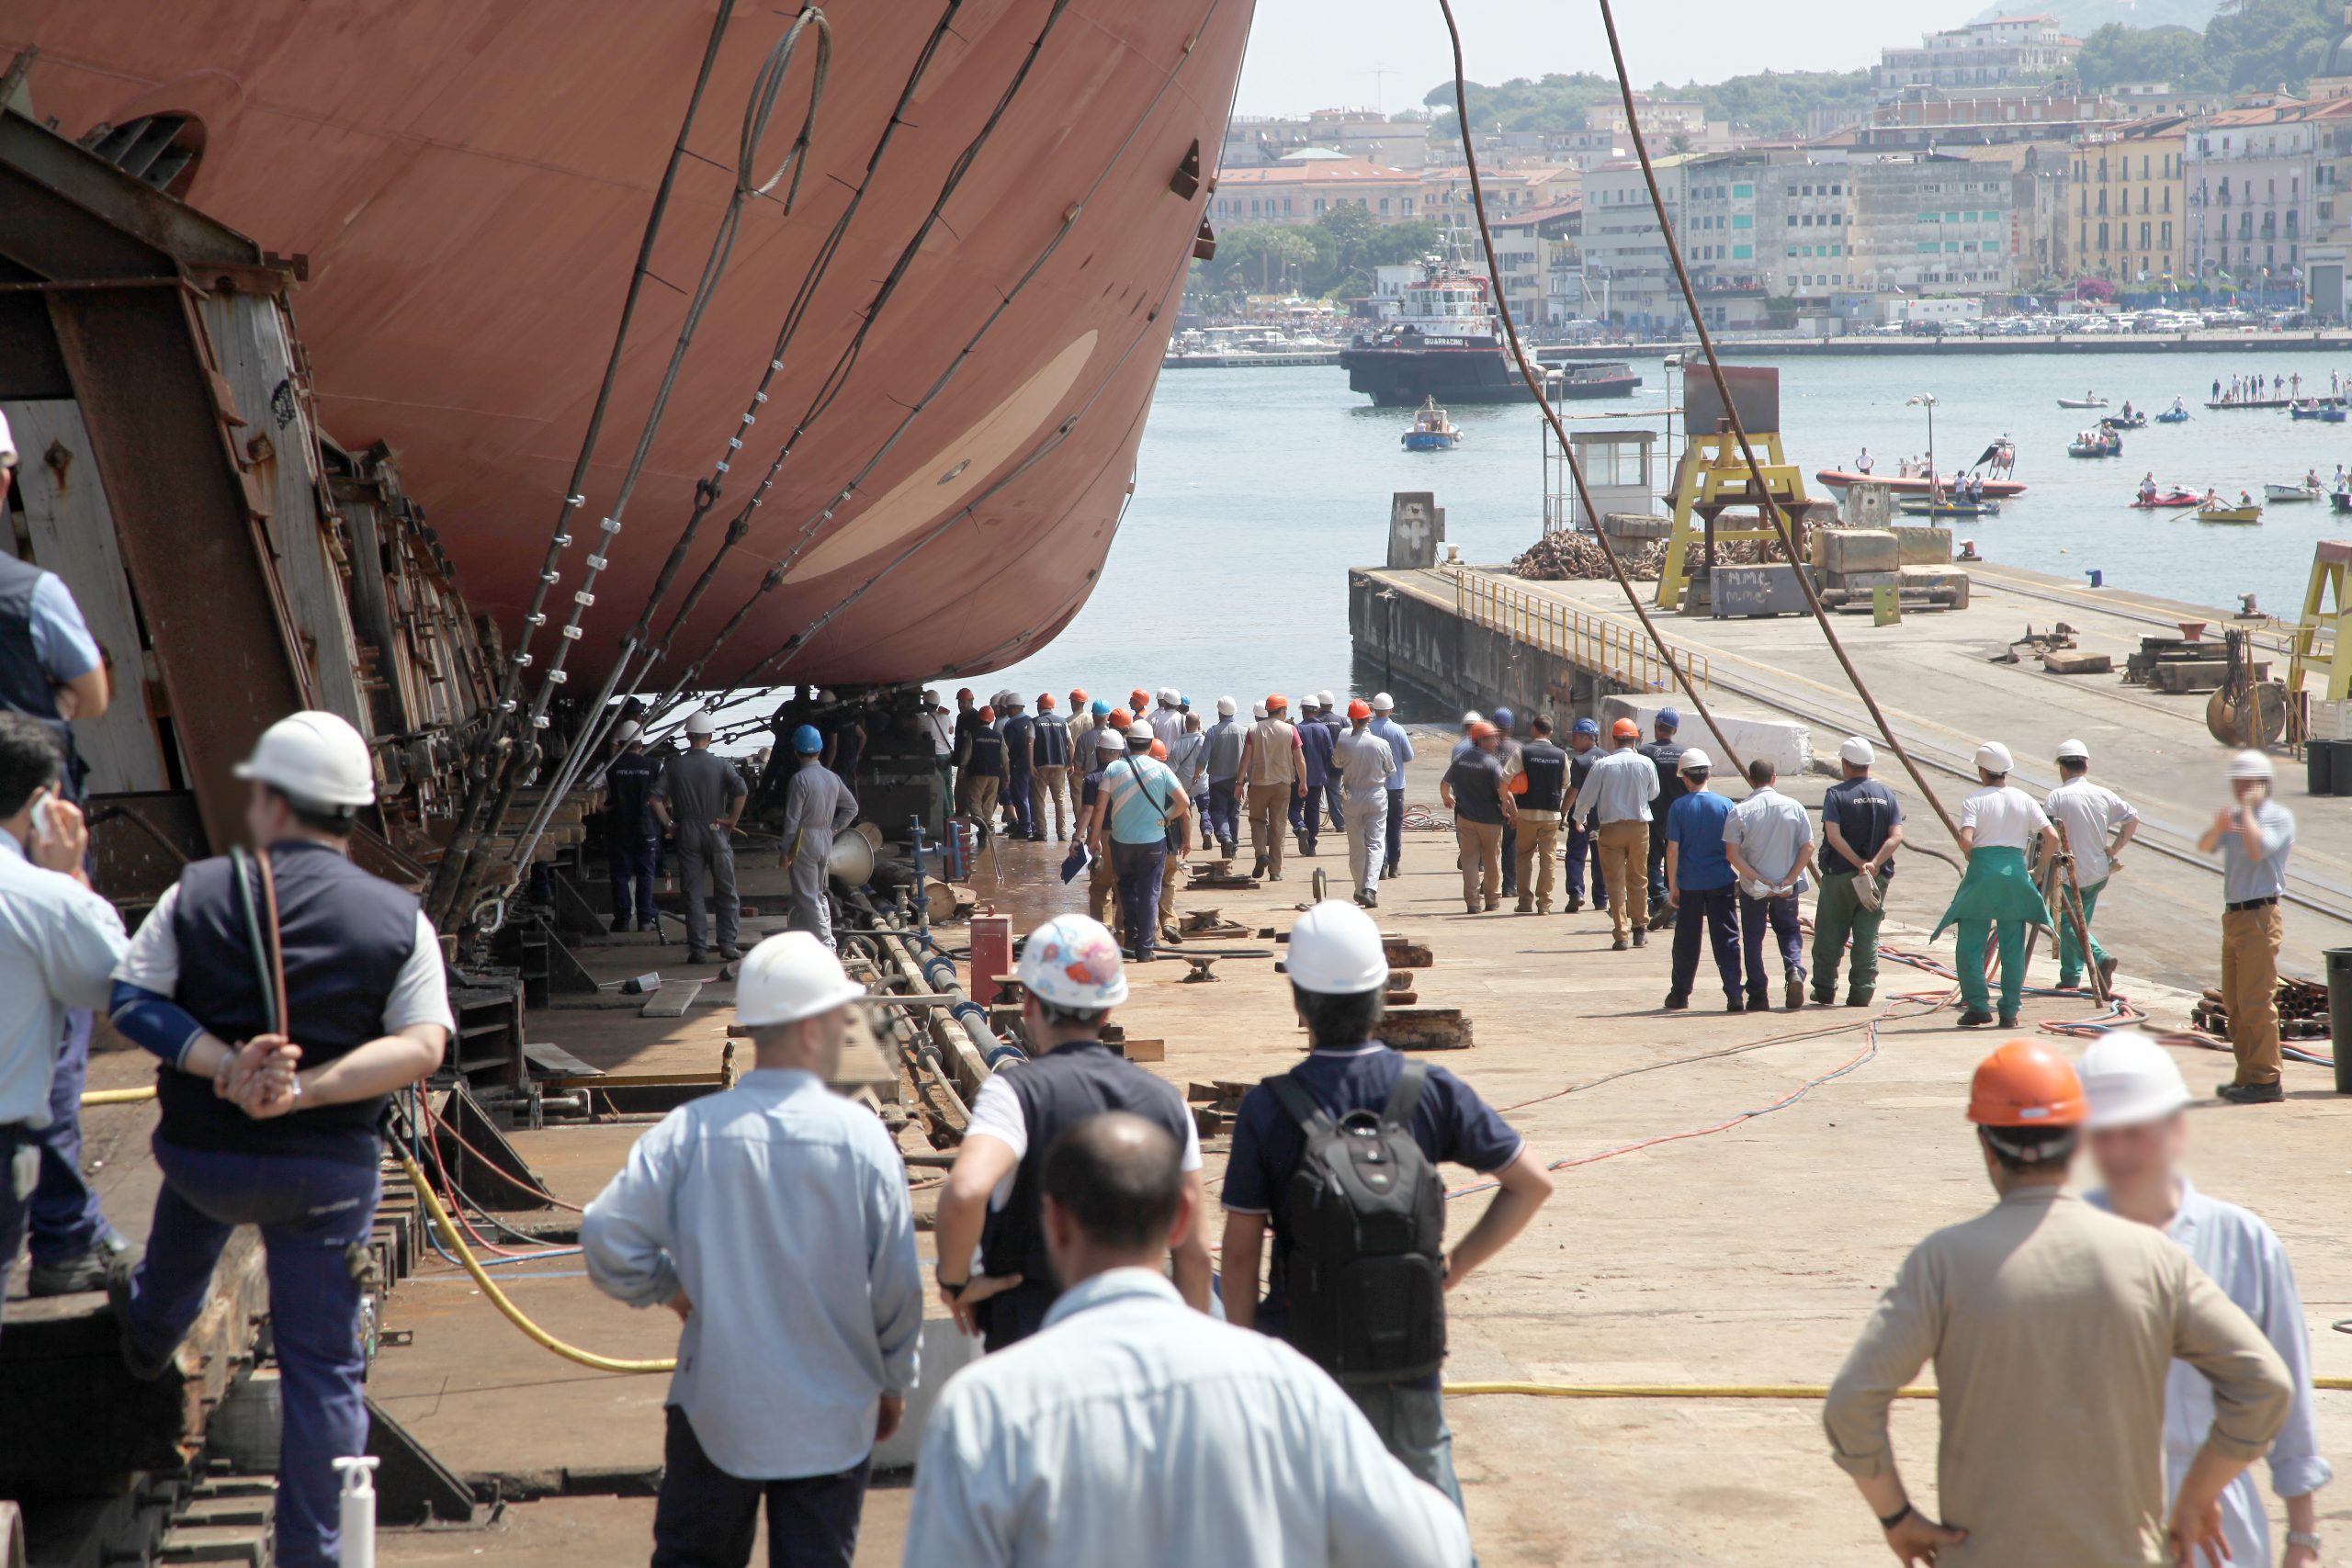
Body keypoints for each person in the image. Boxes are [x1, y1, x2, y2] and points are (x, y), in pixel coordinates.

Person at [106, 711, 454, 1568]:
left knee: (183, 1227)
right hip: (325, 1176)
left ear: (267, 800)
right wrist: (309, 1089)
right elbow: (423, 1044)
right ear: (353, 810)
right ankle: (315, 1556)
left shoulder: (196, 892)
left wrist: (226, 1068)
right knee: (324, 1374)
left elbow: (131, 1000)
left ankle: (148, 1335)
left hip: (203, 1158)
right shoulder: (401, 920)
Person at [909, 1112, 1472, 1568]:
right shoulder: (1286, 1385)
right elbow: (1429, 1548)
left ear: (1055, 1222)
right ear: (1182, 1219)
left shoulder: (984, 1409)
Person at [1824, 1041, 2291, 1568]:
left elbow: (1850, 1404)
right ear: (2077, 1142)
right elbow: (2266, 1386)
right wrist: (2197, 1496)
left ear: (1986, 1144)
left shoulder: (1944, 1262)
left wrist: (1897, 1517)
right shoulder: (2153, 1259)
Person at [582, 932, 921, 1568]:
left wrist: (672, 1289)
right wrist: (895, 1379)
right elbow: (898, 1286)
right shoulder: (863, 1141)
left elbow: (606, 1236)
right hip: (832, 1414)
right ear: (820, 1026)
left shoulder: (691, 1131)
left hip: (717, 1409)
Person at [1221, 901, 1552, 1513]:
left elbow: (1240, 1256)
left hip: (1300, 1359)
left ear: (1299, 1002)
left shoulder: (1267, 1108)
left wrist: (1243, 1365)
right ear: (1381, 995)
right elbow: (1531, 1182)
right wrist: (1450, 1268)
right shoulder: (1431, 1090)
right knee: (1431, 1534)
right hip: (1405, 1359)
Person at [2080, 1033, 2333, 1568]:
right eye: (2104, 1133)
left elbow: (2287, 1393)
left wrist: (2303, 1538)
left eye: (2135, 1130)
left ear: (2175, 1127)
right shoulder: (2063, 1242)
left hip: (2220, 1523)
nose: (2119, 1151)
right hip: (2097, 1515)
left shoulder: (2243, 1241)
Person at [932, 916, 1210, 1349]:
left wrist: (955, 1283)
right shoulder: (1164, 1102)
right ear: (1107, 1010)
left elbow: (966, 1193)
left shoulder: (1014, 1094)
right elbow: (1194, 1253)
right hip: (1144, 1345)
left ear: (1028, 1005)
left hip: (1031, 1343)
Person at [0, 547, 126, 1297]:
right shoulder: (29, 593)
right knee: (51, 1060)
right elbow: (117, 983)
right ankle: (67, 1234)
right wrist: (67, 879)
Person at [2199, 750, 2295, 1103]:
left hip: (2260, 916)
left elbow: (2260, 851)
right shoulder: (2238, 818)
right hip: (2235, 916)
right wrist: (2222, 825)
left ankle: (2267, 1079)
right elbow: (2208, 845)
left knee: (2257, 1000)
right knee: (2236, 1002)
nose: (2240, 789)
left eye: (2247, 783)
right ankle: (2248, 1074)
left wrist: (2248, 817)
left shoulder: (2276, 818)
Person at [1811, 737, 1903, 1009]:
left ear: (1845, 764)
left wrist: (1857, 862)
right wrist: (1873, 864)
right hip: (1876, 879)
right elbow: (1896, 836)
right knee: (1867, 934)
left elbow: (1834, 837)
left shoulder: (1836, 795)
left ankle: (1825, 990)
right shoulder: (1888, 796)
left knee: (1829, 931)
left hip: (1840, 876)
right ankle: (1862, 992)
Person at [651, 708, 748, 964]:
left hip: (687, 833)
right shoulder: (721, 765)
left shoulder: (674, 766)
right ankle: (728, 945)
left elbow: (655, 798)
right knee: (726, 890)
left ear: (688, 736)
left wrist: (670, 825)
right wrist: (732, 820)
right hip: (717, 830)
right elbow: (741, 790)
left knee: (693, 893)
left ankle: (699, 949)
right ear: (710, 737)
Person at [2045, 738, 2139, 995]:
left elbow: (2048, 835)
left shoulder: (2057, 797)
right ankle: (2070, 976)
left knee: (2066, 923)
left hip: (2067, 874)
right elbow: (2133, 818)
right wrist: (2115, 848)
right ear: (2085, 767)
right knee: (2079, 921)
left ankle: (2100, 959)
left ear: (2063, 768)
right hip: (2097, 872)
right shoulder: (2105, 795)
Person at [1723, 757, 1815, 1012]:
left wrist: (1756, 877)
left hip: (1755, 888)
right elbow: (1808, 846)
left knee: (1753, 938)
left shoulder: (1740, 811)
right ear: (1774, 778)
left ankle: (1758, 993)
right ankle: (1794, 968)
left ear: (1751, 779)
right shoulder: (1794, 807)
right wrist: (1790, 877)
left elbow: (1732, 854)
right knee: (1788, 930)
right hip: (1786, 885)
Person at [1101, 724, 1191, 963]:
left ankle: (1131, 937)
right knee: (1150, 892)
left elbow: (1100, 807)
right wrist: (1166, 817)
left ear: (1127, 744)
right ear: (1151, 744)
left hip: (1120, 840)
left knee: (1126, 889)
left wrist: (1092, 840)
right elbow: (1183, 803)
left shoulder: (1113, 768)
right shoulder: (1161, 769)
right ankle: (1145, 948)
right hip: (1153, 840)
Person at [1662, 749, 1741, 1011]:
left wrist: (1673, 886)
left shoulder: (1679, 807)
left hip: (1689, 883)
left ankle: (1680, 994)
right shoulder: (1726, 805)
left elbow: (1672, 849)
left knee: (1686, 940)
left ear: (1684, 777)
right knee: (1727, 939)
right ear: (1709, 773)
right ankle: (1734, 994)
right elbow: (1735, 847)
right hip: (1721, 881)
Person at [775, 724, 857, 950]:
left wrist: (785, 851)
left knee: (808, 897)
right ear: (820, 750)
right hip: (825, 838)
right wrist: (834, 829)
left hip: (804, 839)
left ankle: (826, 945)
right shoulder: (832, 778)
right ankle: (820, 940)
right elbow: (852, 808)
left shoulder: (800, 780)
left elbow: (792, 821)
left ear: (795, 752)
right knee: (818, 894)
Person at [1579, 717, 1658, 950]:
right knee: (1639, 879)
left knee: (1614, 882)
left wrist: (1579, 819)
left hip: (1611, 830)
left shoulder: (1603, 765)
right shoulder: (1646, 763)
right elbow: (1653, 794)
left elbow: (1587, 797)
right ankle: (1640, 929)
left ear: (1613, 739)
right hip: (1639, 828)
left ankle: (1621, 934)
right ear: (1635, 739)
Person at [1439, 720, 1514, 914]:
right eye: (1492, 739)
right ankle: (1492, 899)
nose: (1496, 743)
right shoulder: (1492, 764)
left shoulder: (1461, 759)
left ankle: (1472, 902)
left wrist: (1447, 798)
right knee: (1491, 860)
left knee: (1469, 861)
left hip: (1466, 819)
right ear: (1481, 740)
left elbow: (1444, 784)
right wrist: (1512, 812)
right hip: (1490, 821)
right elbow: (1504, 792)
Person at [602, 720, 662, 934]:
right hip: (646, 827)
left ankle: (622, 920)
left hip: (619, 826)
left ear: (621, 743)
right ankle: (645, 920)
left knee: (620, 874)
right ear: (641, 743)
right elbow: (666, 796)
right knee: (646, 873)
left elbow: (591, 791)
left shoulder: (609, 767)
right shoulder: (655, 767)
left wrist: (606, 808)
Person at [1334, 699, 1396, 908]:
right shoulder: (1381, 744)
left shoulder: (1344, 743)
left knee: (1356, 846)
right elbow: (1391, 770)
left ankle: (1360, 889)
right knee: (1376, 843)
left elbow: (1336, 763)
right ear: (1368, 718)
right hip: (1376, 795)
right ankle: (1370, 889)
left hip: (1352, 796)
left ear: (1352, 719)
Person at [1238, 694, 1305, 882]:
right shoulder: (1291, 730)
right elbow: (1299, 759)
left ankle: (1261, 853)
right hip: (1282, 785)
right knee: (1278, 827)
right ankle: (1275, 871)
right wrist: (1303, 782)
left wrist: (1239, 783)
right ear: (1282, 711)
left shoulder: (1253, 730)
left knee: (1258, 821)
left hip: (1258, 784)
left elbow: (1245, 759)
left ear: (1268, 710)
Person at [1510, 716, 1568, 915]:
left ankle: (1525, 901)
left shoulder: (1523, 752)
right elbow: (1566, 783)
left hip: (1526, 812)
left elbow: (1505, 777)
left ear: (1533, 730)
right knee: (1548, 858)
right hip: (1551, 814)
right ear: (1550, 732)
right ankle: (1544, 903)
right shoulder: (1561, 755)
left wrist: (1507, 804)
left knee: (1524, 856)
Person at [1638, 709, 1687, 928]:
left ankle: (1661, 900)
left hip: (1652, 816)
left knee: (1651, 862)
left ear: (1657, 726)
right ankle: (1674, 914)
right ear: (1675, 730)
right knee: (1674, 864)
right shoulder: (1684, 754)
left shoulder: (1645, 751)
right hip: (1679, 817)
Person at [1560, 716, 1607, 914]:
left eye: (1576, 736)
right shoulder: (1608, 758)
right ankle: (1601, 899)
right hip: (1603, 818)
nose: (1573, 740)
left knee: (1576, 856)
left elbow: (1574, 791)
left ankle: (1576, 893)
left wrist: (1562, 813)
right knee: (1600, 858)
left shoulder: (1580, 761)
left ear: (1588, 738)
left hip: (1581, 818)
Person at [1368, 693, 1414, 880]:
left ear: (1373, 710)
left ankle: (1381, 867)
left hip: (1374, 786)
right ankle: (1394, 865)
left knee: (1377, 828)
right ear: (1391, 709)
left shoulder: (1368, 729)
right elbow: (1408, 756)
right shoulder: (1398, 730)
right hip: (1395, 786)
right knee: (1394, 826)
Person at [955, 702, 1008, 847]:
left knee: (973, 802)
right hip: (995, 775)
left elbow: (966, 755)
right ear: (991, 720)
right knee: (989, 803)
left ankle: (982, 825)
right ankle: (985, 827)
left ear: (979, 719)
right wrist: (1007, 776)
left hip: (977, 774)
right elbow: (1005, 758)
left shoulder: (973, 736)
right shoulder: (998, 737)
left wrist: (961, 768)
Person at [1293, 694, 1336, 858]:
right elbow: (1330, 754)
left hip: (1299, 777)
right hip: (1318, 777)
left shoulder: (1297, 729)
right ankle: (1311, 843)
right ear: (1317, 710)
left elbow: (1293, 754)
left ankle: (1299, 826)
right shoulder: (1323, 729)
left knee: (1293, 808)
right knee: (1313, 810)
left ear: (1303, 711)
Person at [1203, 695, 1245, 860]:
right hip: (1237, 780)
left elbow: (1202, 758)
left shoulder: (1213, 731)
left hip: (1216, 780)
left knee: (1217, 811)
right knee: (1233, 813)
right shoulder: (1243, 731)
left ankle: (1225, 837)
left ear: (1219, 712)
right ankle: (1233, 847)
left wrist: (1195, 774)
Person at [1488, 707, 1523, 898]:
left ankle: (1488, 886)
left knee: (1489, 847)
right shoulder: (1518, 748)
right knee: (1510, 845)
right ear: (1511, 727)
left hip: (1490, 803)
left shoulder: (1486, 746)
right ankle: (1509, 886)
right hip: (1513, 803)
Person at [1030, 693, 1073, 841]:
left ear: (1040, 706)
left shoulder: (1034, 722)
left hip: (1041, 764)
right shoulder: (1062, 722)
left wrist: (1031, 765)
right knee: (1060, 799)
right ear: (1052, 707)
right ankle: (1062, 832)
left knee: (1039, 798)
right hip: (1060, 765)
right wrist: (1071, 763)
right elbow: (1070, 744)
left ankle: (1041, 832)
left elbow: (1030, 744)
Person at [1314, 690, 1348, 836]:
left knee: (1314, 797)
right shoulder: (1342, 721)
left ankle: (1312, 825)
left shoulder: (1314, 721)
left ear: (1318, 705)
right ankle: (1340, 824)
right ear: (1332, 704)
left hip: (1317, 766)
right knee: (1334, 794)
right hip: (1336, 765)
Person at [920, 688, 956, 804]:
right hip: (947, 755)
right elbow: (951, 730)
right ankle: (951, 810)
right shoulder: (945, 716)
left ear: (926, 704)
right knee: (947, 784)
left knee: (939, 784)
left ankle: (945, 813)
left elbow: (921, 736)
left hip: (936, 755)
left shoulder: (925, 720)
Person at [1148, 686, 1186, 753]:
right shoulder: (1183, 719)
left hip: (1159, 757)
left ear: (1164, 703)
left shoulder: (1154, 719)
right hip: (1177, 758)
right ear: (1178, 705)